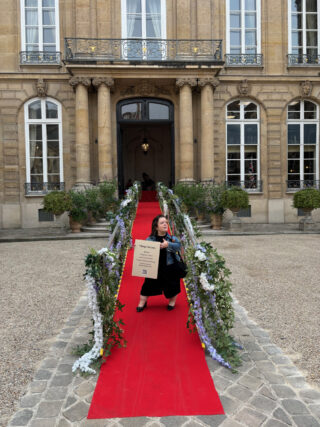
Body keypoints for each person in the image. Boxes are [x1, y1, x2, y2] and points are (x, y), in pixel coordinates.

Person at [136, 214, 182, 312]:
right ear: (156, 227)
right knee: (147, 285)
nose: (165, 224)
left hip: (170, 266)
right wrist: (139, 249)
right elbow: (144, 251)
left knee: (173, 285)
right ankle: (142, 303)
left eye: (166, 222)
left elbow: (178, 246)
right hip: (154, 268)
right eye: (162, 223)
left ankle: (172, 302)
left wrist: (168, 244)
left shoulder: (172, 238)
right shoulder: (150, 239)